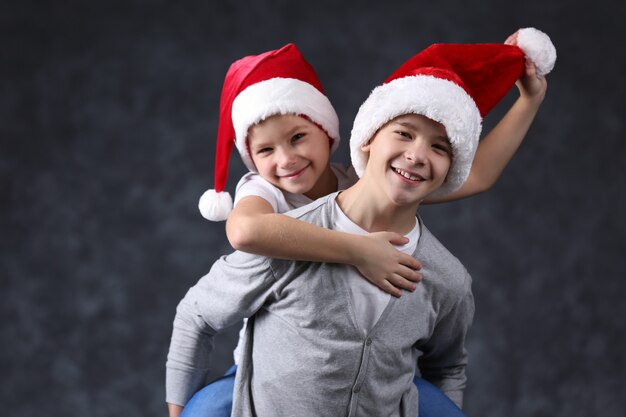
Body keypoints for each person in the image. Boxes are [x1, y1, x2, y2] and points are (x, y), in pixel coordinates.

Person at [165, 33, 557, 417]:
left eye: (298, 138)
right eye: (403, 133)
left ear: (330, 134)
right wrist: (360, 250)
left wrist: (529, 100)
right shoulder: (265, 203)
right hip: (258, 376)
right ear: (368, 138)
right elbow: (245, 233)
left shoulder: (370, 181)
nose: (286, 161)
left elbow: (478, 175)